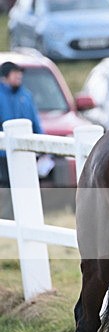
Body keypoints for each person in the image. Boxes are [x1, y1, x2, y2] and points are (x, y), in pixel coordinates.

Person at [0, 61, 44, 218]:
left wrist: (43, 146)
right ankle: (7, 220)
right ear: (5, 76)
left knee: (26, 185)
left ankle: (26, 216)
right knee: (5, 187)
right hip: (2, 155)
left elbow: (35, 122)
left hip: (25, 152)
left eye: (20, 72)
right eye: (15, 72)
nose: (19, 75)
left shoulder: (26, 95)